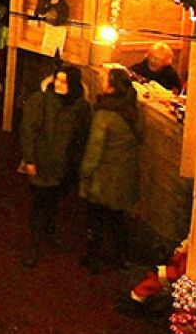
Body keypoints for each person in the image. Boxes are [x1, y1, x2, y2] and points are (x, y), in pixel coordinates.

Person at [19, 65, 91, 268]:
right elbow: (28, 131)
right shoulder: (40, 102)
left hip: (63, 167)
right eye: (57, 80)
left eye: (64, 81)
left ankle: (49, 233)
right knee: (39, 206)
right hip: (42, 163)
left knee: (53, 204)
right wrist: (30, 159)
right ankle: (33, 244)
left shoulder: (79, 107)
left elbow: (82, 137)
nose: (58, 84)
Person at [80, 67, 142, 274]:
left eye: (104, 78)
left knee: (95, 219)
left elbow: (94, 150)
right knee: (117, 219)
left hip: (104, 178)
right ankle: (120, 257)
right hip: (123, 177)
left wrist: (84, 173)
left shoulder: (105, 115)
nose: (101, 79)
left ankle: (92, 258)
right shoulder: (131, 110)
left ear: (111, 86)